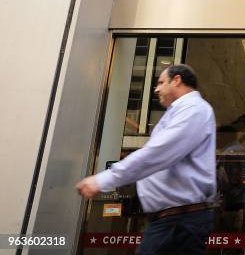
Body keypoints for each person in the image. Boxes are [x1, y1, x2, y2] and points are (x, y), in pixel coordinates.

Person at [76, 64, 217, 255]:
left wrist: (104, 179)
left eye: (160, 82)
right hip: (173, 220)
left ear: (176, 80)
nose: (156, 89)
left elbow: (158, 153)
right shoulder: (181, 112)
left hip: (178, 221)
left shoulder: (193, 109)